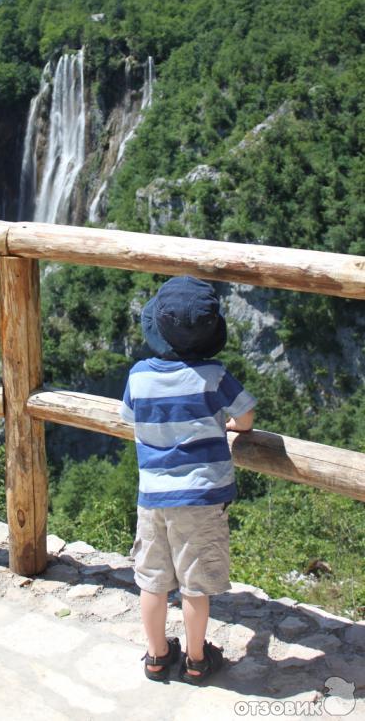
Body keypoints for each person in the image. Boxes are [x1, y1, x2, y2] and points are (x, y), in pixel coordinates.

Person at [120, 275, 256, 684]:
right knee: (195, 586)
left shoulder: (139, 376)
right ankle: (197, 660)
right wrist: (230, 424)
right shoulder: (214, 377)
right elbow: (246, 417)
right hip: (201, 498)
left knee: (153, 581)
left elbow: (129, 418)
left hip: (153, 498)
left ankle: (157, 655)